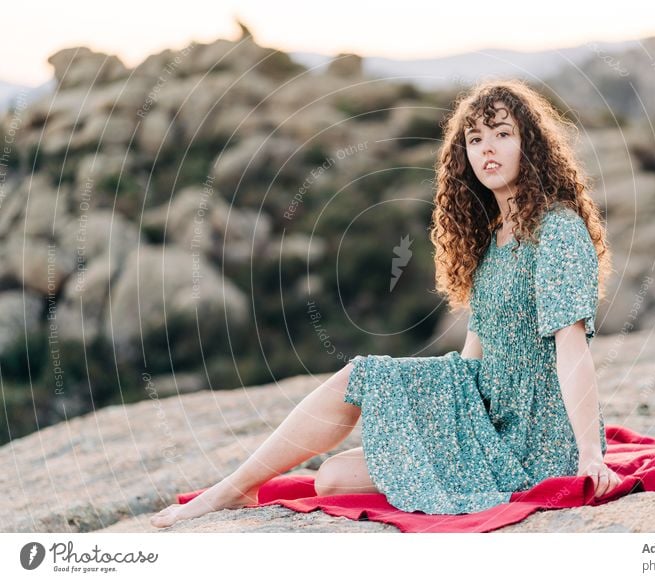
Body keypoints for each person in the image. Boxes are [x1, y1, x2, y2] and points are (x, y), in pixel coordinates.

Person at [150, 79, 622, 528]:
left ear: (532, 147)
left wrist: (589, 455)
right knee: (332, 478)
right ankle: (239, 486)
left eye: (503, 134)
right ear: (465, 155)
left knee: (362, 383)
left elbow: (572, 346)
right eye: (476, 139)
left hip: (536, 439)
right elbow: (474, 357)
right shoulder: (491, 240)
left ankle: (229, 490)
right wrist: (426, 409)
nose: (488, 149)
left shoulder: (557, 230)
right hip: (486, 412)